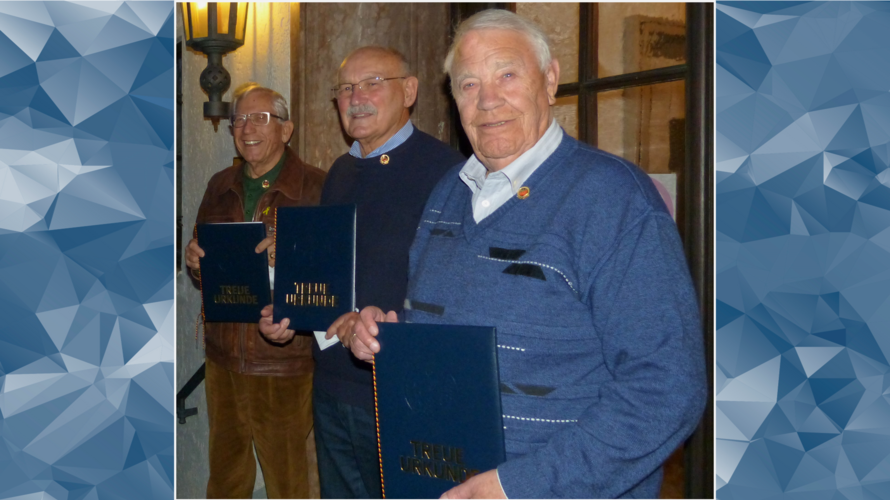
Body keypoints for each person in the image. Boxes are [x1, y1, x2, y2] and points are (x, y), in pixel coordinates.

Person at [344, 10, 707, 499]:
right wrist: (387, 336)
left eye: (507, 75)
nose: (487, 100)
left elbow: (668, 389)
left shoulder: (612, 198)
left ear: (550, 80)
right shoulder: (446, 195)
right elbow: (445, 331)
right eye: (468, 84)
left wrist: (518, 486)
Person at [258, 47, 465, 498]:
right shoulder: (341, 170)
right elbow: (331, 273)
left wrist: (374, 327)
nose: (357, 97)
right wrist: (290, 310)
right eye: (346, 89)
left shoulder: (446, 171)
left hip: (399, 390)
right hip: (332, 384)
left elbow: (456, 292)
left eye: (373, 83)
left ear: (409, 91)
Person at [185, 83, 326, 499]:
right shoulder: (218, 185)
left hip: (283, 362)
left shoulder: (317, 189)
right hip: (223, 359)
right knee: (226, 480)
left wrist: (294, 256)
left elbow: (333, 278)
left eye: (260, 117)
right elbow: (201, 255)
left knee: (287, 484)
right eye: (240, 119)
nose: (247, 127)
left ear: (287, 129)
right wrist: (194, 261)